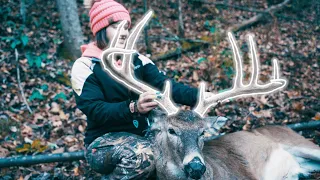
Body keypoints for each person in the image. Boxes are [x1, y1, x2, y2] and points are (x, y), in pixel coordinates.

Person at [70, 0, 199, 179]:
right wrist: (133, 108)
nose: (123, 32)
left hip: (143, 134)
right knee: (142, 157)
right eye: (116, 27)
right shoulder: (85, 66)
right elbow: (95, 110)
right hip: (102, 142)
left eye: (126, 27)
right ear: (100, 30)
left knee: (180, 151)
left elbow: (167, 87)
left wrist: (200, 96)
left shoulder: (138, 61)